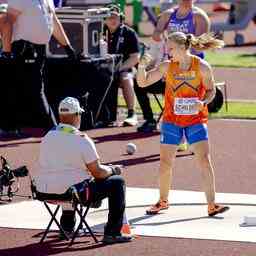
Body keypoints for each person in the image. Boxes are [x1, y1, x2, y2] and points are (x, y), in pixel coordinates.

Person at [136, 31, 230, 216]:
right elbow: (143, 83)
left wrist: (202, 102)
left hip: (195, 120)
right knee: (165, 162)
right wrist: (141, 66)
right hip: (172, 121)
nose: (168, 52)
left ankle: (212, 204)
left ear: (182, 47)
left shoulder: (202, 67)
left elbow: (211, 91)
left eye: (170, 49)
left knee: (204, 160)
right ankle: (162, 201)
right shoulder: (167, 66)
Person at [35, 97, 133, 244]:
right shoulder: (81, 138)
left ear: (61, 116)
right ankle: (113, 232)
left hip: (44, 192)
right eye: (79, 114)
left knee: (67, 179)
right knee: (117, 183)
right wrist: (113, 170)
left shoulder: (47, 137)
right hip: (73, 192)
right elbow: (98, 172)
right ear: (76, 116)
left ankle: (67, 227)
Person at [0, 0, 75, 135]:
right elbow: (6, 22)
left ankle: (9, 127)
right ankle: (54, 128)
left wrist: (67, 47)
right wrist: (6, 51)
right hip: (23, 47)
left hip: (38, 49)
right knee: (34, 88)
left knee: (22, 87)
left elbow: (54, 22)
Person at [135, 0, 210, 133]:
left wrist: (183, 45)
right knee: (139, 83)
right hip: (171, 68)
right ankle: (150, 120)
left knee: (185, 105)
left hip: (192, 70)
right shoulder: (168, 15)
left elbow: (201, 46)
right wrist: (159, 36)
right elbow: (156, 35)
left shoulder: (199, 16)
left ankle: (189, 130)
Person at [104, 4, 140, 126]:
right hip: (103, 70)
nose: (113, 20)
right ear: (104, 19)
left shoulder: (129, 33)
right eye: (109, 17)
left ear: (121, 18)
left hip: (124, 68)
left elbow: (135, 57)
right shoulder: (96, 31)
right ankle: (101, 116)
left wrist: (118, 68)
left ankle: (131, 113)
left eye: (115, 17)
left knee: (126, 78)